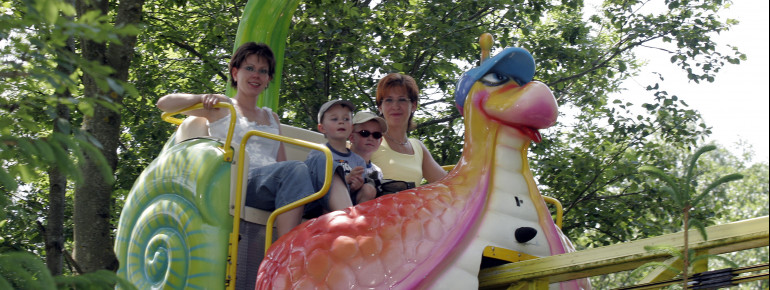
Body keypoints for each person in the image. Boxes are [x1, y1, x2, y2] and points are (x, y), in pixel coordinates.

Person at [155, 42, 351, 237]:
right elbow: (164, 104)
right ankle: (285, 250)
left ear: (268, 79)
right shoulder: (223, 106)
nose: (256, 75)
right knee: (296, 169)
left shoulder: (272, 117)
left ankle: (350, 227)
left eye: (263, 71)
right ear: (235, 73)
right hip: (242, 182)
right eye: (249, 68)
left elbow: (281, 161)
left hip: (276, 185)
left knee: (322, 158)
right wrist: (202, 97)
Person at [370, 73, 447, 189]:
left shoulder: (418, 147)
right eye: (389, 100)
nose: (395, 106)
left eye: (402, 100)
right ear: (380, 107)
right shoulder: (370, 140)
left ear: (414, 105)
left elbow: (448, 185)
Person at [305, 100, 377, 206]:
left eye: (346, 119)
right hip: (322, 203)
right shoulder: (319, 153)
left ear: (351, 127)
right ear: (322, 128)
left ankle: (359, 216)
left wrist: (355, 186)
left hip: (350, 202)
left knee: (369, 189)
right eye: (334, 119)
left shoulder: (359, 161)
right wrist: (345, 180)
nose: (341, 122)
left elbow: (356, 190)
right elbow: (313, 186)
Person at [349, 111, 388, 199]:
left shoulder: (377, 172)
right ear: (351, 137)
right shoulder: (339, 161)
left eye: (376, 135)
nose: (371, 138)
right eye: (364, 133)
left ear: (380, 141)